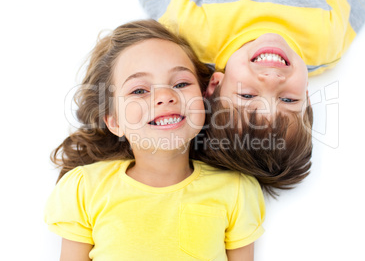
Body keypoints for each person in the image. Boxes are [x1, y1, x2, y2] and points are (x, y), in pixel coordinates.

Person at [138, 0, 365, 196]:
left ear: (215, 85)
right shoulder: (326, 42)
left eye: (247, 96)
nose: (272, 79)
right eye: (287, 100)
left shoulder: (191, 33)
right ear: (306, 96)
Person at [44, 20, 265, 260]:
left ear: (202, 99)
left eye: (181, 83)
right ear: (114, 121)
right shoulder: (84, 189)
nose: (165, 96)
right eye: (139, 91)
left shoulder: (237, 190)